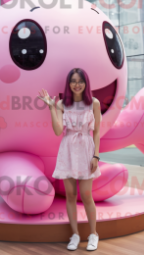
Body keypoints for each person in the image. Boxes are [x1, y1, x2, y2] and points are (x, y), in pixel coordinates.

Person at [37, 68, 101, 251]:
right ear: (69, 84)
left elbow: (96, 132)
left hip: (86, 149)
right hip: (68, 150)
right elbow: (58, 131)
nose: (77, 84)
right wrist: (51, 106)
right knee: (71, 195)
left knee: (87, 195)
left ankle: (93, 234)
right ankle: (75, 235)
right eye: (73, 81)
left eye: (80, 81)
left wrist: (96, 155)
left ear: (86, 83)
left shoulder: (94, 103)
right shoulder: (62, 104)